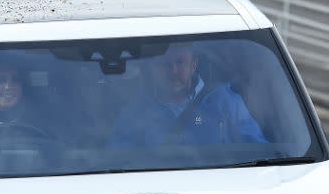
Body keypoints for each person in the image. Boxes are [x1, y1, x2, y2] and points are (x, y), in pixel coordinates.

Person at [111, 44, 267, 147]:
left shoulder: (226, 103)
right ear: (153, 69)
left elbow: (259, 149)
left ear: (193, 66)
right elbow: (117, 159)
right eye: (165, 64)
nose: (173, 71)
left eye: (180, 63)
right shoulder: (136, 113)